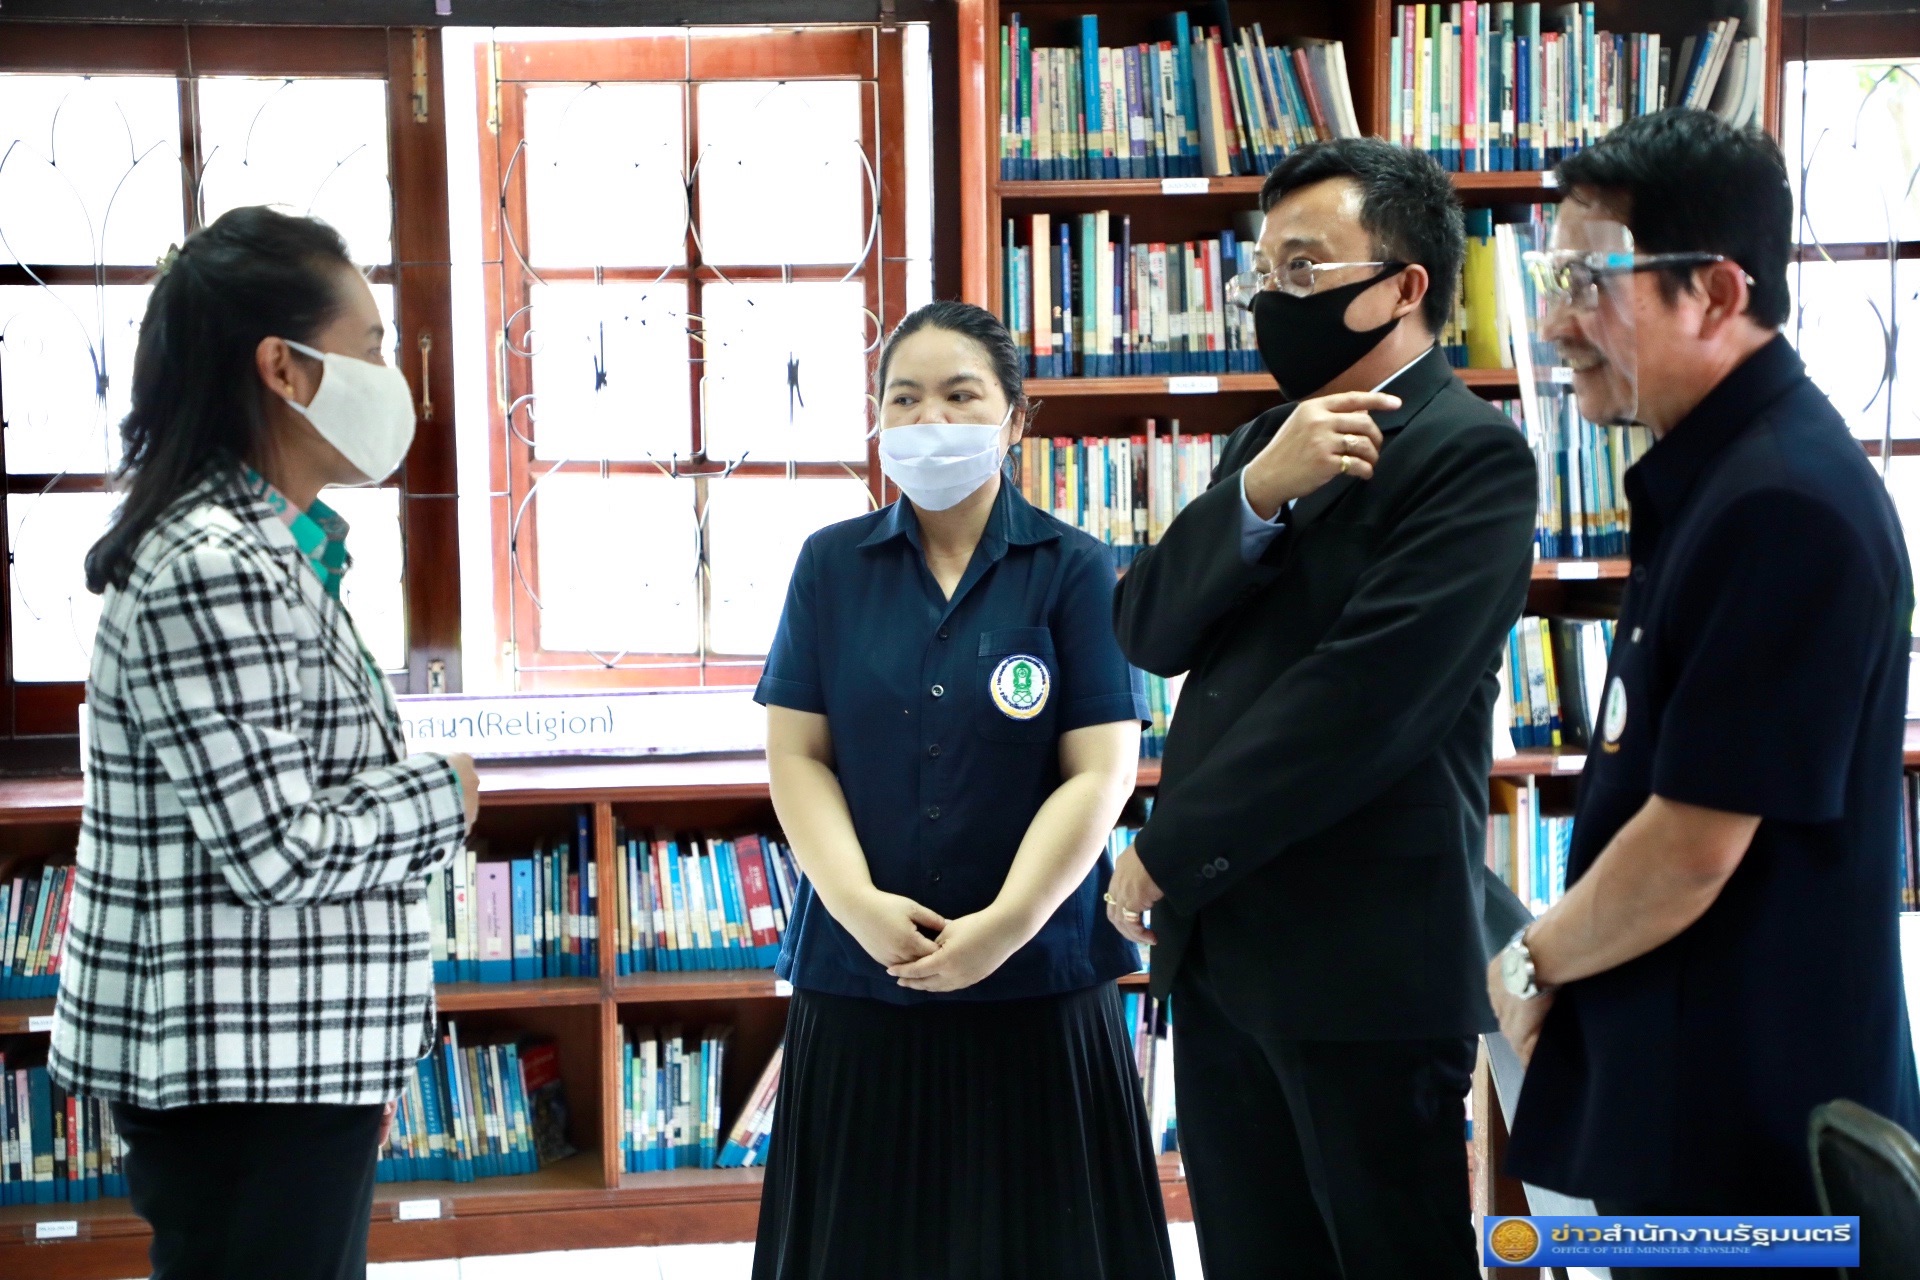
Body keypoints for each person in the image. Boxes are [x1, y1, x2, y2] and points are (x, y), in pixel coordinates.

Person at [1493, 110, 1920, 1276]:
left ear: (1719, 291)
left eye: (1588, 279)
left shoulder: (1783, 504)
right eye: (1552, 274)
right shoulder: (1722, 474)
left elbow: (1690, 844)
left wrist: (1533, 959)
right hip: (1695, 1089)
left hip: (1753, 1132)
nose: (1553, 320)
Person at [1107, 138, 1540, 1278]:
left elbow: (1362, 698)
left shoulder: (1474, 456)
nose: (1272, 297)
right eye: (1264, 272)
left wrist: (1168, 849)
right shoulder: (1265, 441)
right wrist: (1255, 492)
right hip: (1221, 957)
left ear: (1404, 287)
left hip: (1364, 966)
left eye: (1304, 270)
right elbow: (1148, 629)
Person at [50, 206, 480, 1280]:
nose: (396, 377)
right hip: (240, 1073)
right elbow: (275, 848)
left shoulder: (272, 541)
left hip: (282, 1058)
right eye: (373, 346)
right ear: (284, 369)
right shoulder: (215, 560)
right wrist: (445, 797)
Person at [752, 300, 1174, 1279]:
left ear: (1015, 419)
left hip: (1038, 978)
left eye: (959, 395)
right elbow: (798, 755)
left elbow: (1099, 765)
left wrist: (1009, 921)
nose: (929, 417)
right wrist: (854, 904)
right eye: (905, 397)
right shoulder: (830, 564)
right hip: (862, 976)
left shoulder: (1073, 566)